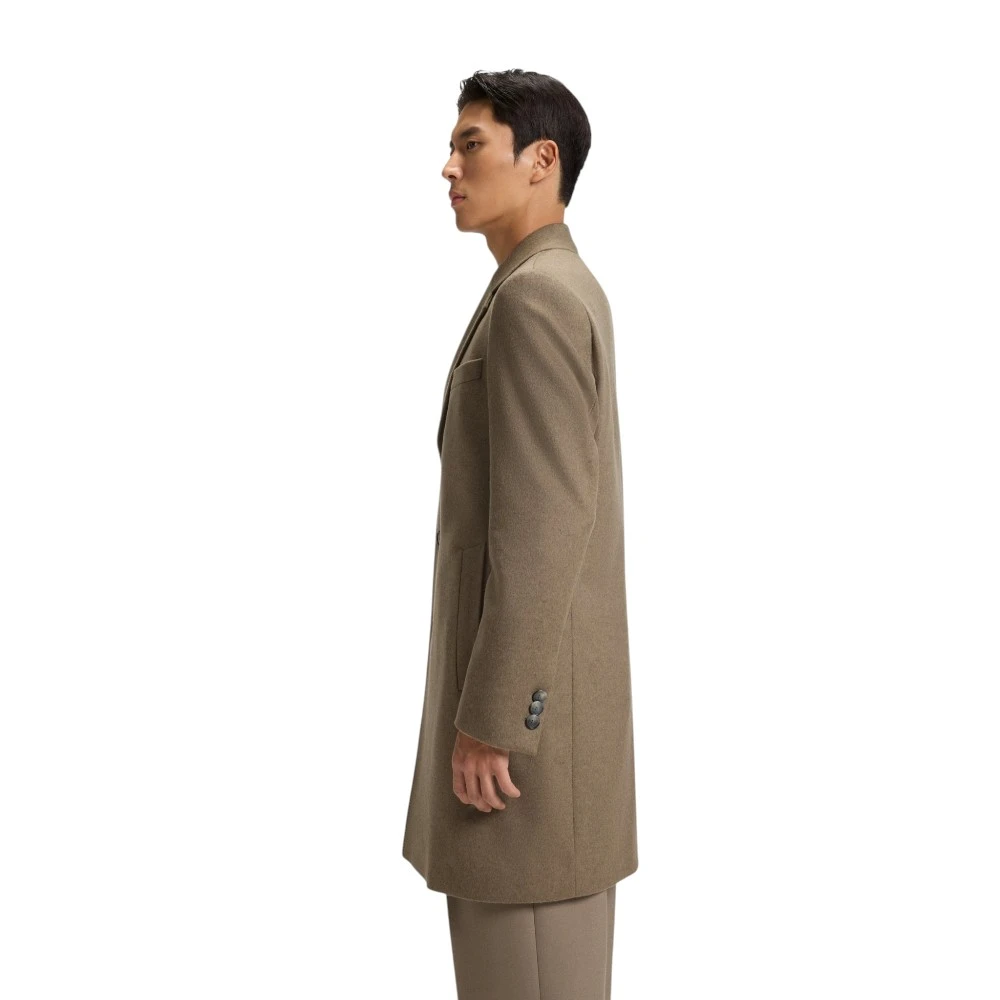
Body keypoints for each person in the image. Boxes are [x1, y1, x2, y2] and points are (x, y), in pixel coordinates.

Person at [402, 68, 638, 1000]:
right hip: (537, 729)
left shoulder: (537, 298)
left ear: (542, 161)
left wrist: (497, 721)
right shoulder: (539, 286)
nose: (449, 168)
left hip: (522, 752)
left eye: (471, 145)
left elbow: (545, 524)